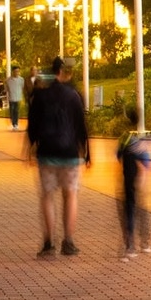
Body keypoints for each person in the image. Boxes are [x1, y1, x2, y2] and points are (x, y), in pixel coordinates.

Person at [26, 56, 91, 256]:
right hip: (70, 152)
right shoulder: (73, 96)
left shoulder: (41, 96)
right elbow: (81, 125)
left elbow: (33, 125)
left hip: (47, 153)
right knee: (70, 194)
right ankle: (68, 242)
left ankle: (48, 244)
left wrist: (30, 147)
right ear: (63, 73)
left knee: (47, 196)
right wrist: (87, 152)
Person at [116, 104, 151, 258]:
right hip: (138, 181)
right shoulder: (138, 140)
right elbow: (146, 161)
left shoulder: (124, 138)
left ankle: (130, 245)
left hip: (126, 180)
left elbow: (118, 156)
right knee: (141, 211)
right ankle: (145, 243)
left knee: (128, 211)